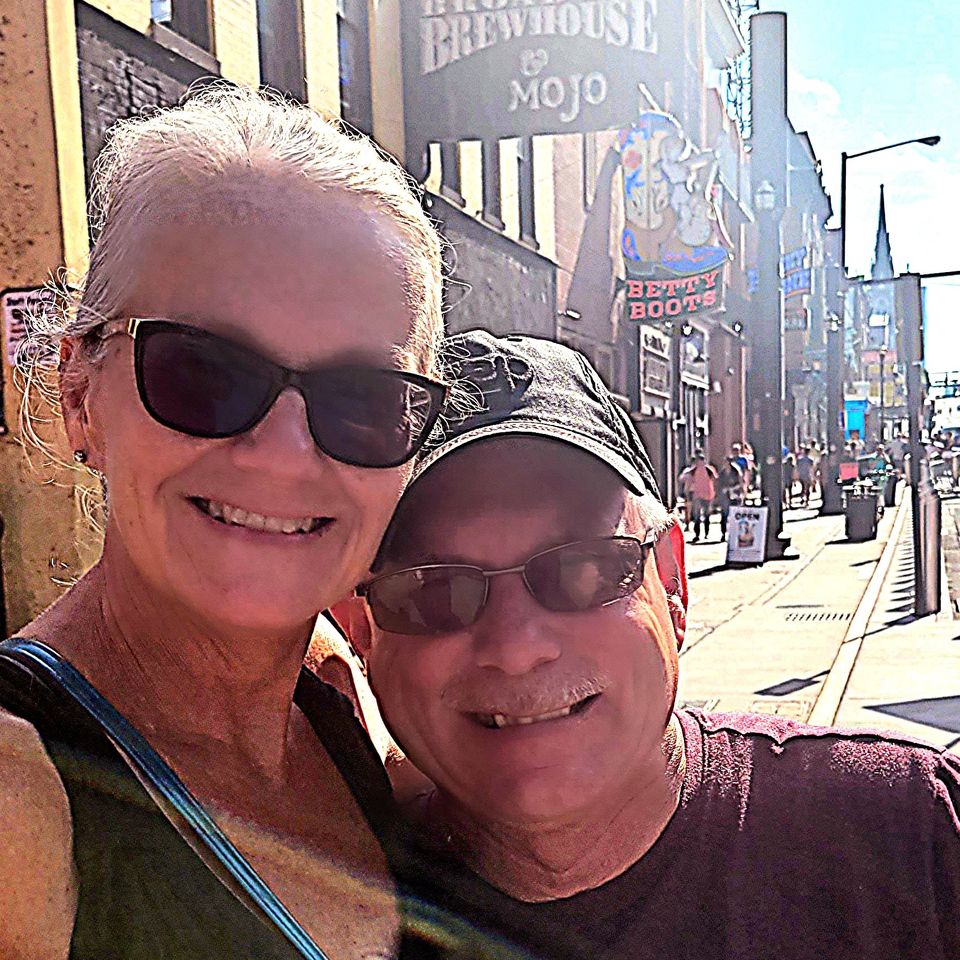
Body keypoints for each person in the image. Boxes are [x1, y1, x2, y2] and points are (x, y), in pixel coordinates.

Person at [0, 86, 450, 958]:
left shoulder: (336, 708)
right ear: (79, 394)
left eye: (362, 397)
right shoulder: (22, 794)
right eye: (202, 371)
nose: (283, 452)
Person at [340, 331, 960, 960]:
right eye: (435, 592)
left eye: (585, 569)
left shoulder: (913, 839)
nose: (517, 646)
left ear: (671, 582)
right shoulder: (313, 898)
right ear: (360, 630)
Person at [688, 450, 718, 542]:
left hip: (708, 495)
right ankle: (697, 535)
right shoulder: (693, 470)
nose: (699, 462)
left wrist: (715, 492)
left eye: (700, 460)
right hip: (698, 495)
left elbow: (715, 480)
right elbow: (689, 481)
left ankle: (706, 534)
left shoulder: (709, 470)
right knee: (697, 516)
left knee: (706, 515)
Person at [716, 456, 743, 539]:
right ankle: (723, 533)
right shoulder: (722, 473)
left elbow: (740, 483)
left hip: (735, 496)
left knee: (734, 516)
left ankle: (734, 534)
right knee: (724, 515)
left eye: (726, 462)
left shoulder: (736, 471)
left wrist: (731, 489)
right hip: (725, 497)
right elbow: (719, 484)